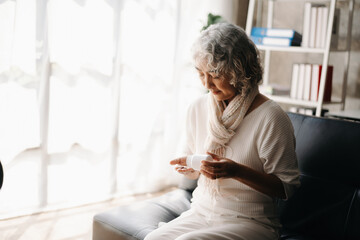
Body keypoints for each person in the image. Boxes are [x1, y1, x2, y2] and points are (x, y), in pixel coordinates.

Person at [144, 22, 300, 240]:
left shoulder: (271, 116)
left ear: (240, 70)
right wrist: (189, 166)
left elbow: (286, 187)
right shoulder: (198, 107)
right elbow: (195, 167)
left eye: (215, 74)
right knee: (153, 238)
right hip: (202, 211)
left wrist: (236, 171)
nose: (207, 83)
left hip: (251, 222)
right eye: (201, 73)